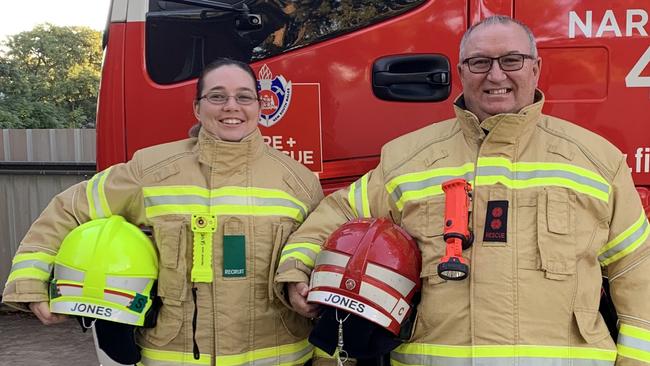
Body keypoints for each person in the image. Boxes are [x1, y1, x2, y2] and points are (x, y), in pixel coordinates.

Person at [275, 15, 650, 365]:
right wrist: (297, 268)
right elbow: (340, 213)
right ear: (460, 73)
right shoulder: (408, 157)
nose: (496, 74)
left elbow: (636, 267)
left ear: (536, 68)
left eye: (512, 60)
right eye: (480, 62)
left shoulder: (596, 159)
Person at [3, 58, 324, 365]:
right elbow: (67, 211)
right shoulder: (150, 171)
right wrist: (30, 282)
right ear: (197, 108)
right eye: (217, 96)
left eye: (244, 96)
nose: (231, 106)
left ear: (258, 106)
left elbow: (322, 264)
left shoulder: (299, 182)